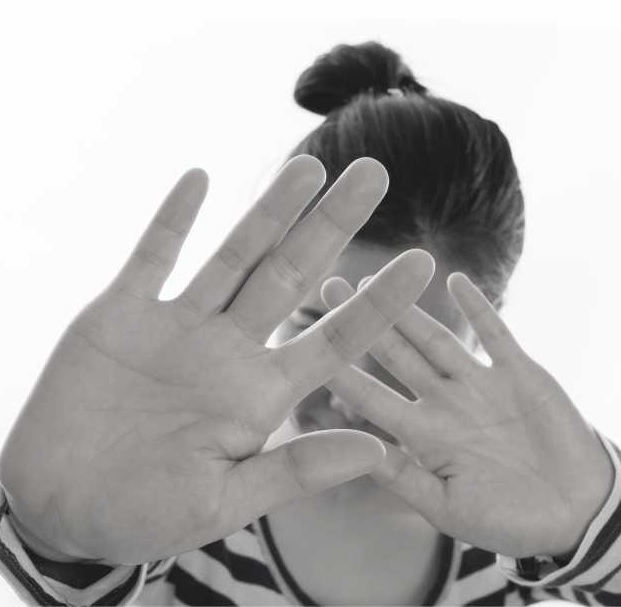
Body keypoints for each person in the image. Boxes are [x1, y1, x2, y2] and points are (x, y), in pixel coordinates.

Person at [0, 41, 617, 606]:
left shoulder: (530, 538)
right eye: (317, 324)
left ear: (487, 324)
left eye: (408, 348)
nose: (349, 397)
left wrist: (602, 534)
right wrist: (57, 548)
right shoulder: (175, 507)